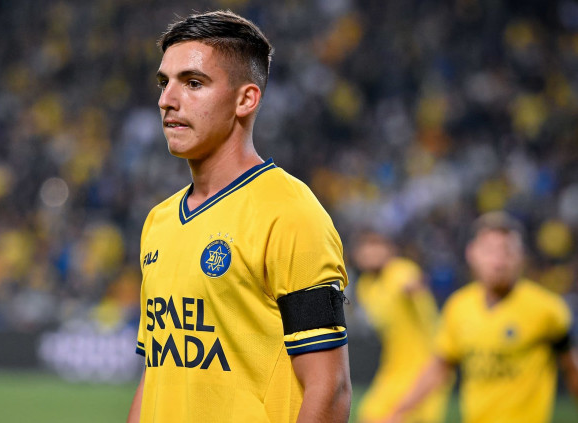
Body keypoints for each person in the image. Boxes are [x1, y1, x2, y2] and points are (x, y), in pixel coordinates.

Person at [127, 10, 351, 423]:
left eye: (193, 83)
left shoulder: (291, 213)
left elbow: (330, 389)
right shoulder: (159, 220)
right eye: (164, 82)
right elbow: (156, 374)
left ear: (245, 99)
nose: (166, 100)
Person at [385, 212, 578, 423]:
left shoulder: (547, 309)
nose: (499, 261)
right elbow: (439, 367)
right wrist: (398, 412)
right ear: (472, 253)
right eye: (490, 251)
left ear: (521, 256)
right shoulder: (459, 307)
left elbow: (571, 369)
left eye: (507, 251)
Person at [352, 232, 449, 423]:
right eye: (366, 250)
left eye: (377, 248)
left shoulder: (400, 270)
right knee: (369, 416)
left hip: (424, 366)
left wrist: (413, 287)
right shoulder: (365, 285)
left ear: (390, 251)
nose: (371, 254)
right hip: (394, 366)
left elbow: (410, 283)